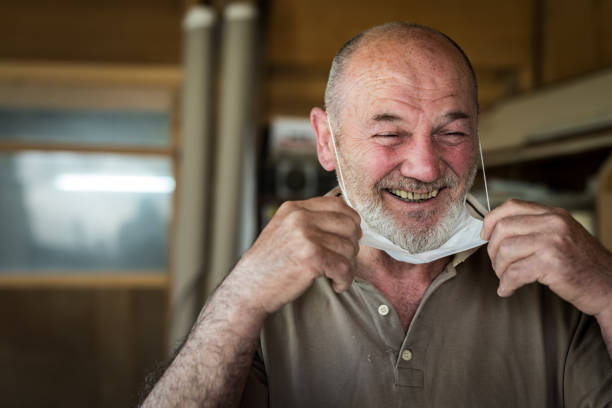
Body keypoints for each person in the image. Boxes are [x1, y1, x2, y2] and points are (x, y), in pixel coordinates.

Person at [142, 23, 612, 407]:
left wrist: (607, 291)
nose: (426, 167)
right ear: (326, 140)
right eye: (389, 135)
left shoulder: (553, 284)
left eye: (451, 132)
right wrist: (240, 298)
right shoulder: (266, 292)